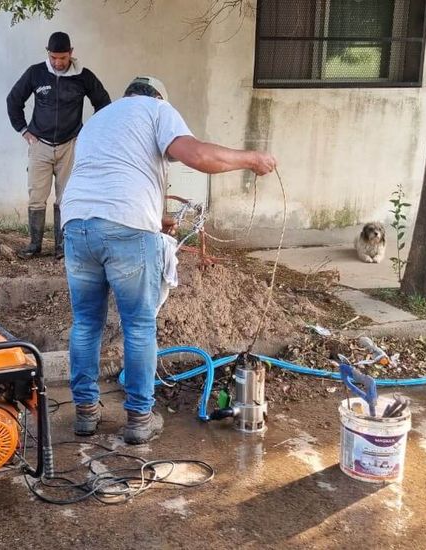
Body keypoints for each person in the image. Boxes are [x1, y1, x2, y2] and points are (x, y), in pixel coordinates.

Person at [59, 76, 277, 444]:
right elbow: (198, 156)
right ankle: (139, 419)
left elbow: (110, 180)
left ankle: (85, 413)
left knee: (85, 323)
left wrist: (152, 218)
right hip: (126, 229)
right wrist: (251, 158)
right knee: (139, 326)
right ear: (159, 96)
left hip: (76, 223)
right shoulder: (158, 109)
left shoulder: (100, 119)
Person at [6, 31, 111, 260]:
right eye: (54, 57)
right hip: (39, 144)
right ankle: (34, 245)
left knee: (67, 197)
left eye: (62, 58)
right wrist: (23, 130)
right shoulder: (36, 73)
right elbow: (13, 100)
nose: (58, 62)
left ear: (71, 53)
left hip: (70, 145)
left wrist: (88, 135)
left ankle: (62, 247)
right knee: (36, 195)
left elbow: (104, 104)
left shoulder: (83, 77)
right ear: (48, 53)